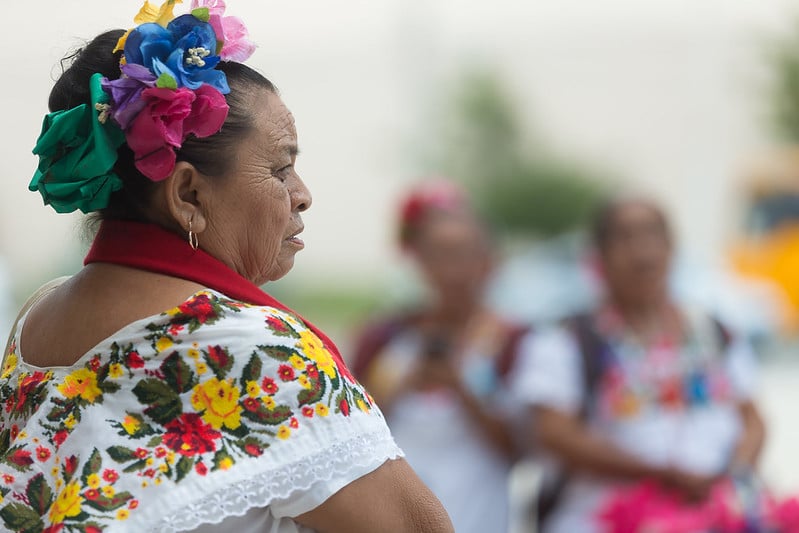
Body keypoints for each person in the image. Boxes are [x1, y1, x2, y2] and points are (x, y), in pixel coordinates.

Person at [0, 2, 453, 532]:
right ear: (188, 195)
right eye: (281, 169)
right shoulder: (255, 348)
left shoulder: (36, 319)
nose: (303, 195)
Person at [513, 196, 766, 532]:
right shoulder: (565, 338)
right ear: (599, 256)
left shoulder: (715, 330)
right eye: (625, 238)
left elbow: (752, 419)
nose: (643, 252)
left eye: (653, 235)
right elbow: (555, 432)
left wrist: (731, 476)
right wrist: (660, 475)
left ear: (672, 248)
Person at [352, 181, 530, 533]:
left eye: (463, 254)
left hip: (480, 513)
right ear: (419, 261)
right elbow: (351, 428)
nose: (452, 271)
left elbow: (521, 446)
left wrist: (461, 389)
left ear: (489, 261)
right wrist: (406, 384)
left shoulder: (512, 340)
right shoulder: (385, 337)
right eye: (439, 255)